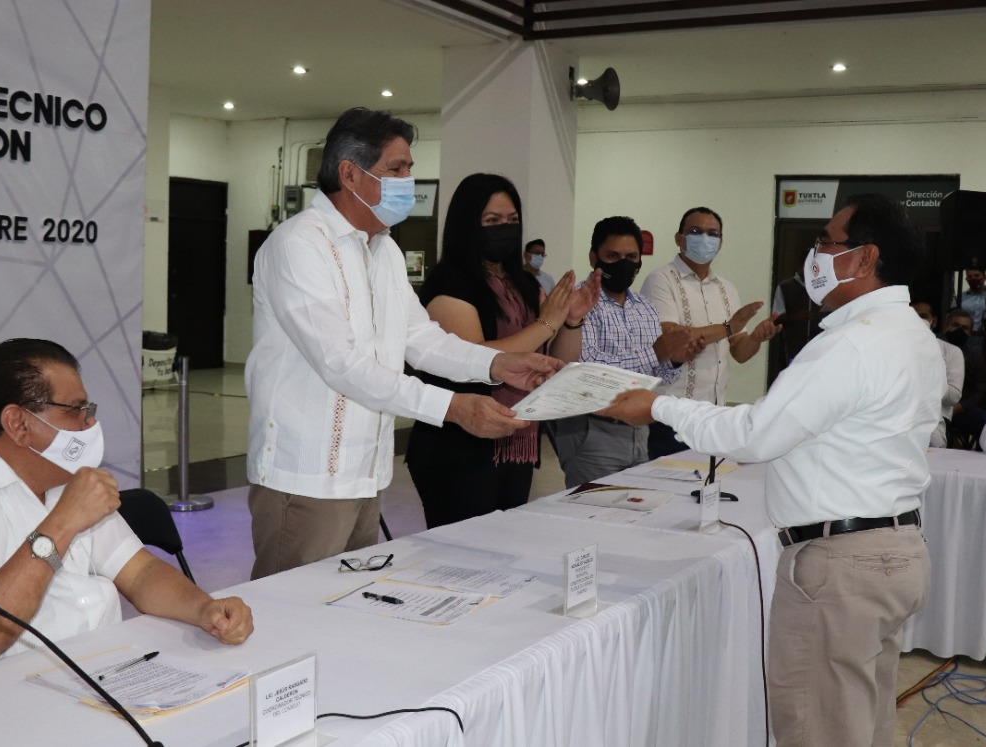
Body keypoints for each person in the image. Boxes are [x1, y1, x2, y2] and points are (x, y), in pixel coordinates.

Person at [601, 193, 942, 747]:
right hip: (896, 549)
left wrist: (656, 405)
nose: (814, 254)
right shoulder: (910, 333)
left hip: (842, 565)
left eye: (826, 242)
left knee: (819, 727)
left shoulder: (852, 343)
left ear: (863, 257)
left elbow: (758, 435)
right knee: (863, 720)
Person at [245, 108, 562, 578]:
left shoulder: (384, 249)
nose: (409, 180)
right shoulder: (299, 245)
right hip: (307, 475)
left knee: (345, 611)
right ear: (349, 173)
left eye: (409, 168)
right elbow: (341, 365)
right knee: (290, 618)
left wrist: (497, 366)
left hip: (367, 472)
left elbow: (421, 338)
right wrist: (453, 407)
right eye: (397, 168)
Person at [0, 339, 254, 691]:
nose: (89, 424)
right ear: (18, 424)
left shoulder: (57, 479)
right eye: (76, 410)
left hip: (85, 682)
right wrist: (63, 522)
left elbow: (139, 572)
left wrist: (205, 609)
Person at [406, 174, 600, 528]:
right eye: (492, 222)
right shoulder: (449, 283)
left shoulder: (524, 283)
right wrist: (547, 322)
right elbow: (476, 357)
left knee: (504, 548)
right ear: (468, 225)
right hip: (459, 443)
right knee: (463, 553)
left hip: (517, 441)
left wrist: (571, 320)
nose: (505, 230)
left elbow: (556, 360)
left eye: (512, 221)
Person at [551, 215, 702, 488]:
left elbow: (657, 377)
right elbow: (583, 368)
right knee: (594, 517)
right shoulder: (575, 302)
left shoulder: (645, 307)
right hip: (592, 429)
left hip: (639, 430)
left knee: (631, 518)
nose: (624, 264)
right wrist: (655, 353)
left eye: (632, 257)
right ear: (593, 257)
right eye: (613, 256)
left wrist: (675, 360)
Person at [639, 206, 780, 459]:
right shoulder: (660, 280)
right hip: (671, 416)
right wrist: (729, 327)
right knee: (668, 490)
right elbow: (672, 337)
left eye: (712, 233)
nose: (704, 239)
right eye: (695, 231)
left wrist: (757, 338)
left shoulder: (726, 288)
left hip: (713, 416)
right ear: (678, 238)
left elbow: (739, 351)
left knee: (704, 489)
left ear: (721, 242)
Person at [912, 301, 964, 448]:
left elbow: (953, 396)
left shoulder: (951, 352)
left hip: (936, 421)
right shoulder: (891, 349)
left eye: (922, 316)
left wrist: (925, 381)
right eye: (912, 315)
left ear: (933, 321)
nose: (917, 319)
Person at [941, 308, 986, 444]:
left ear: (970, 332)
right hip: (934, 407)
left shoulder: (975, 356)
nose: (960, 331)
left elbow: (980, 388)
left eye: (964, 328)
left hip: (962, 409)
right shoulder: (934, 349)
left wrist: (961, 406)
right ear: (946, 326)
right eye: (955, 326)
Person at [771, 269, 828, 367]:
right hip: (793, 347)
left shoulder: (824, 286)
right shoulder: (785, 287)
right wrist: (795, 318)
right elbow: (776, 319)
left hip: (820, 347)